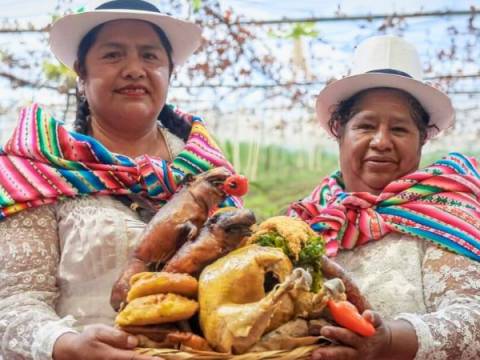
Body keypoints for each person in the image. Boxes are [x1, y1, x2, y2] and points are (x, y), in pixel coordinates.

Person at [0, 1, 239, 359]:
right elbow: (14, 300)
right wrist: (64, 344)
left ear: (170, 71)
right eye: (113, 56)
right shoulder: (41, 165)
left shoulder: (208, 170)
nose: (134, 70)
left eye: (150, 56)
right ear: (82, 73)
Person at [288, 35, 480, 360]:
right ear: (340, 133)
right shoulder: (306, 221)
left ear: (422, 141)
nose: (381, 141)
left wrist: (389, 341)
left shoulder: (443, 213)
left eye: (400, 130)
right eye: (365, 126)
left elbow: (473, 318)